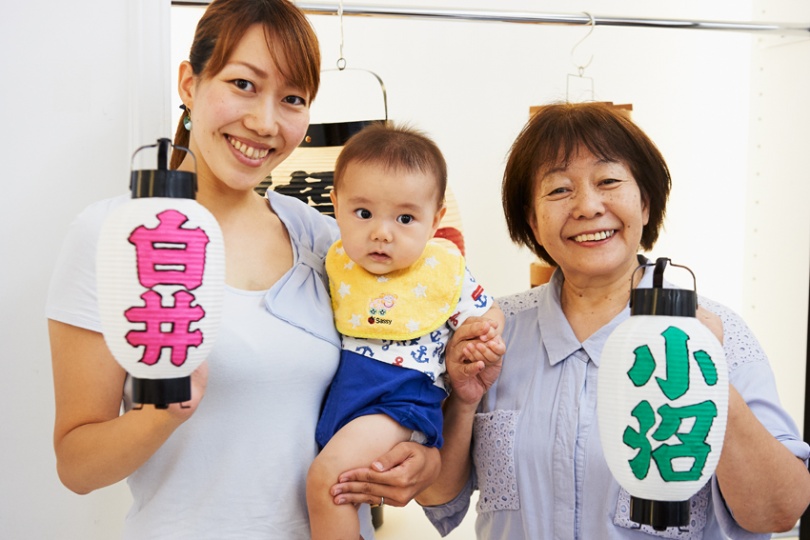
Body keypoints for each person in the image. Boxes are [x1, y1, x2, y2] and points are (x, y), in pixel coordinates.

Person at [45, 1, 443, 538]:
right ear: (189, 83)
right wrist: (163, 413)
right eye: (243, 84)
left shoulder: (323, 240)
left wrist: (423, 459)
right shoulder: (115, 236)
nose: (264, 122)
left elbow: (388, 371)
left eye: (293, 98)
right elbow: (76, 465)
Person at [416, 102, 810, 538]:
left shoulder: (716, 333)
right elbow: (436, 495)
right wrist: (465, 401)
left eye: (608, 181)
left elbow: (779, 511)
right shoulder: (491, 332)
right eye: (559, 190)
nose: (587, 206)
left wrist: (706, 373)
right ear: (532, 219)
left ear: (644, 203)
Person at [305, 123, 505, 539]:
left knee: (328, 483)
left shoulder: (441, 271)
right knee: (346, 488)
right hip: (351, 394)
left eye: (405, 218)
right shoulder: (335, 261)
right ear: (335, 205)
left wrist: (475, 341)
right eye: (363, 213)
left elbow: (488, 314)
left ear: (435, 221)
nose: (382, 231)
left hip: (400, 398)